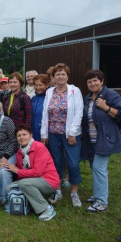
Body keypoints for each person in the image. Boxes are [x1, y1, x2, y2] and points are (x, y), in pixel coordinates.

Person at [41, 63, 83, 208]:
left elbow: (78, 113)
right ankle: (57, 190)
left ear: (67, 76)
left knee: (73, 164)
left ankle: (74, 193)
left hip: (69, 135)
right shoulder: (49, 92)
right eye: (57, 74)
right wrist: (44, 134)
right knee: (56, 163)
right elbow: (45, 114)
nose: (60, 76)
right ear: (53, 77)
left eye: (63, 74)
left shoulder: (74, 91)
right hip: (53, 134)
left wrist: (72, 133)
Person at [81, 69, 121, 212]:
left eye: (95, 80)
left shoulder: (111, 95)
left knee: (99, 167)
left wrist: (106, 107)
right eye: (89, 81)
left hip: (105, 138)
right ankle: (98, 194)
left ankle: (102, 202)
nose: (92, 84)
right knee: (95, 168)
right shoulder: (88, 98)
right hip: (90, 139)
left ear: (101, 81)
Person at [5, 124, 60, 221]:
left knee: (23, 184)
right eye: (19, 135)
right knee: (8, 188)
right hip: (31, 180)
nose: (22, 137)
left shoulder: (39, 147)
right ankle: (28, 203)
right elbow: (22, 175)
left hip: (48, 180)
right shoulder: (20, 151)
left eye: (24, 134)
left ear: (31, 135)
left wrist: (17, 170)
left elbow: (37, 172)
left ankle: (47, 209)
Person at [31, 74, 50, 142]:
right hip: (33, 132)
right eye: (36, 85)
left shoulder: (49, 98)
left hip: (45, 134)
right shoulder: (33, 99)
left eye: (40, 85)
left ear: (47, 85)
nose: (38, 87)